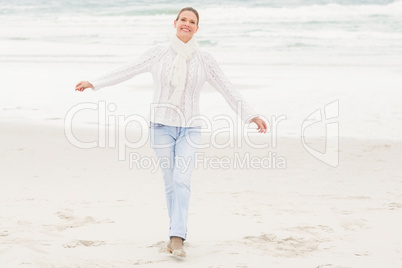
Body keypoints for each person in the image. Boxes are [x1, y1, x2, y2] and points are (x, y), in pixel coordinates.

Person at [75, 7, 267, 257]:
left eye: (192, 22)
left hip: (191, 128)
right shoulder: (158, 54)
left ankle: (177, 237)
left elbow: (228, 88)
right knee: (170, 183)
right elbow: (127, 69)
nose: (187, 24)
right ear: (175, 23)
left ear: (197, 28)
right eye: (183, 20)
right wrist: (95, 83)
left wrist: (251, 115)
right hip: (161, 127)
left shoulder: (205, 60)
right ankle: (175, 233)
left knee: (181, 180)